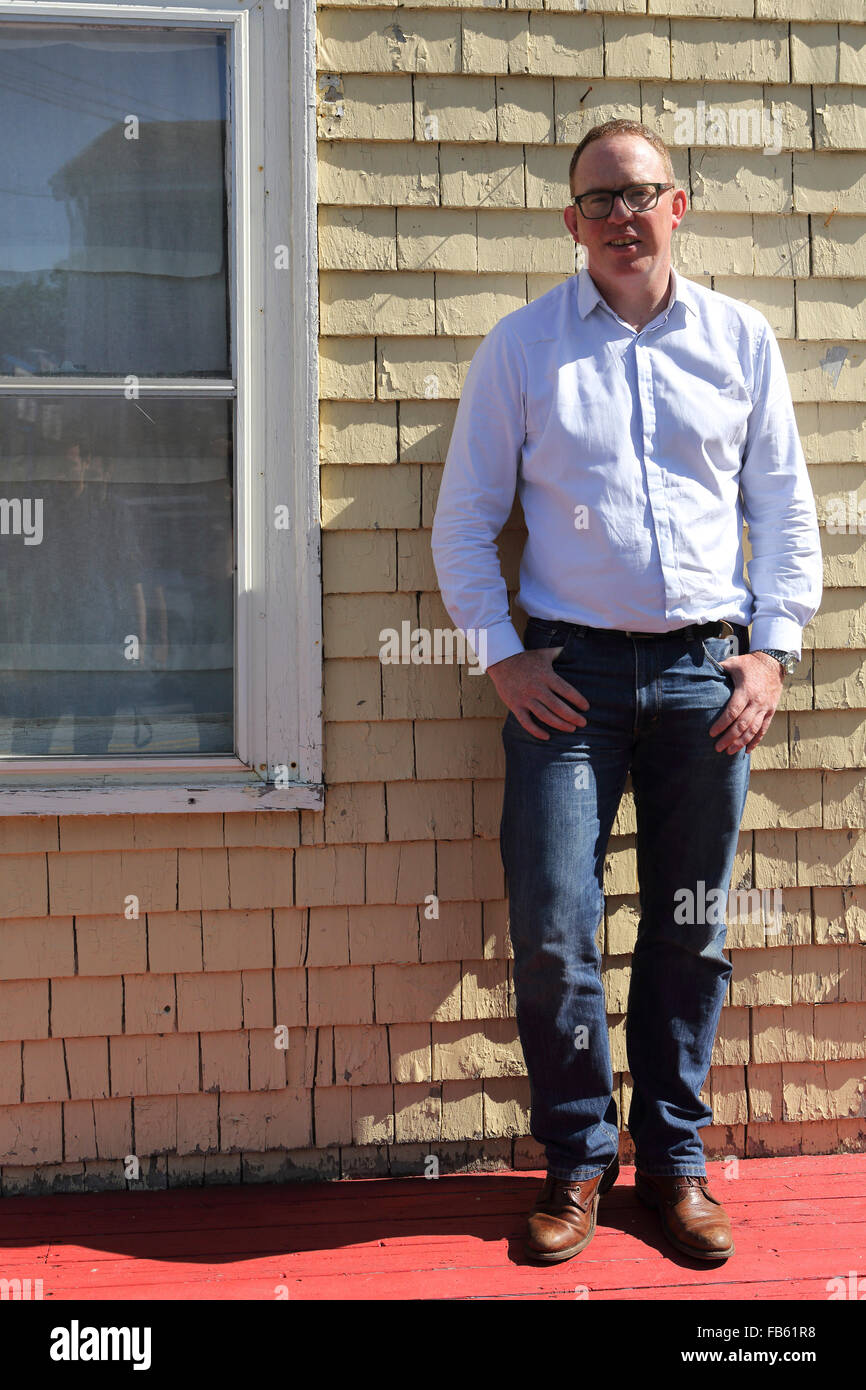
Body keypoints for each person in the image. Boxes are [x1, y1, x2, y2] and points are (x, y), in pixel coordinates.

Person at [431, 118, 822, 1265]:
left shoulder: (739, 341)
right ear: (570, 222)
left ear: (676, 205)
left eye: (637, 194)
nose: (618, 216)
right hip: (569, 680)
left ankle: (676, 1166)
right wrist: (500, 652)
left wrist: (773, 650)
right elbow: (463, 521)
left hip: (709, 672)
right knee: (557, 923)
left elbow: (784, 514)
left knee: (689, 929)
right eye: (595, 200)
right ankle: (574, 1163)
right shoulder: (522, 349)